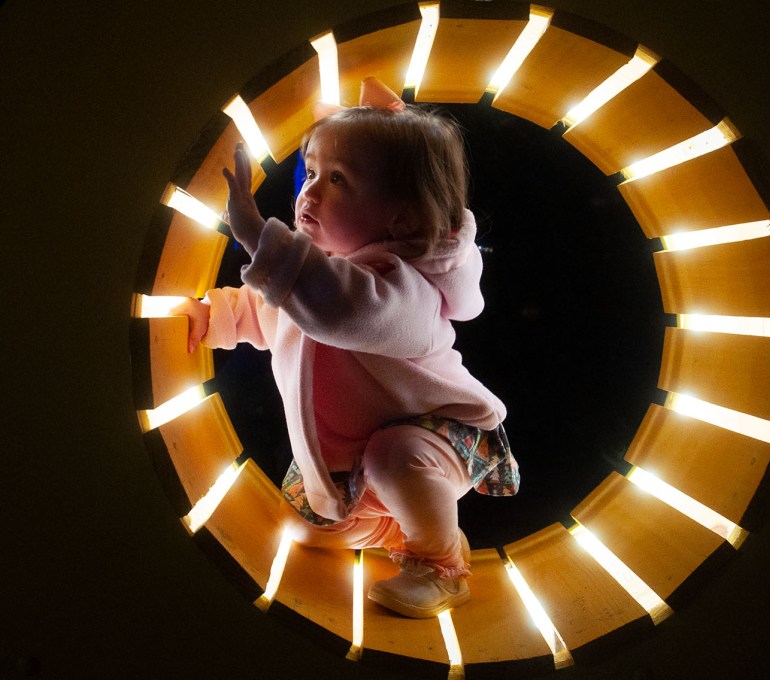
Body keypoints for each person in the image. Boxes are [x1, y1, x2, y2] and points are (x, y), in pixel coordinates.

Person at [174, 77, 518, 618]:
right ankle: (404, 529)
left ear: (401, 218)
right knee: (306, 529)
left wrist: (256, 235)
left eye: (338, 180)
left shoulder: (405, 291)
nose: (308, 193)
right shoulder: (317, 274)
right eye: (310, 172)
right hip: (361, 458)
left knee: (394, 456)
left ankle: (441, 565)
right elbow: (267, 310)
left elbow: (340, 309)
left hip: (441, 437)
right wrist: (213, 316)